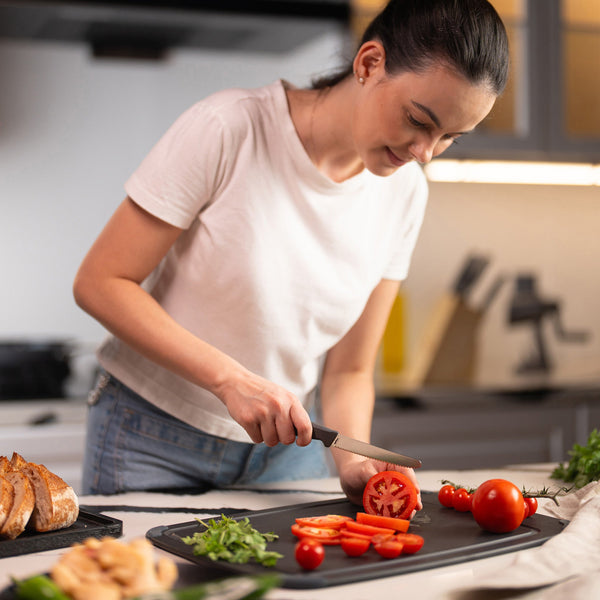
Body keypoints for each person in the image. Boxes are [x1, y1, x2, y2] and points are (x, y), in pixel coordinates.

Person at [74, 0, 509, 506]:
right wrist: (231, 380)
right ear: (369, 63)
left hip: (287, 453)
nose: (424, 152)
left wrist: (353, 459)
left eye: (449, 137)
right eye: (418, 119)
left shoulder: (406, 192)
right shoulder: (229, 127)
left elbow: (348, 370)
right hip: (151, 437)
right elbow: (101, 282)